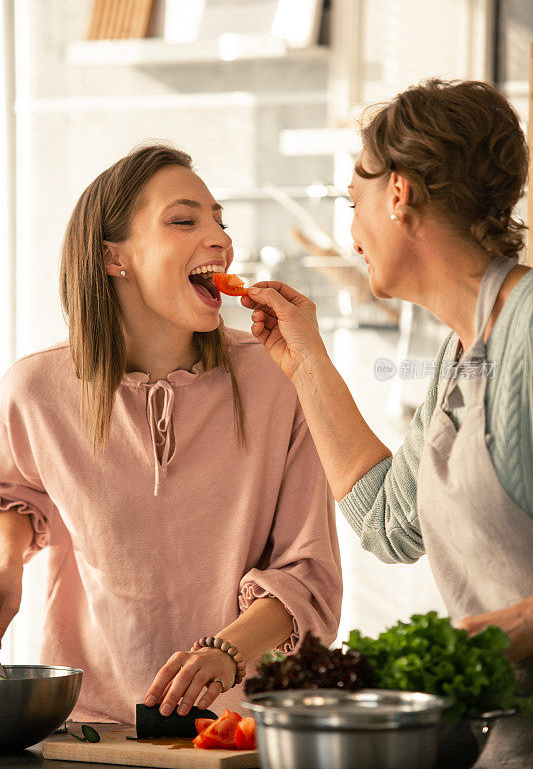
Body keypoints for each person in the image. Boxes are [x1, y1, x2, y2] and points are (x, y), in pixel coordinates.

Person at [242, 79, 533, 767]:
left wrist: (505, 632)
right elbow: (387, 521)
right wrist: (303, 359)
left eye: (354, 201)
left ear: (397, 193)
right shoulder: (462, 348)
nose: (351, 232)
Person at [0, 144, 342, 723]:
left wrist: (227, 654)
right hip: (88, 728)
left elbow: (309, 574)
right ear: (113, 257)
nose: (220, 238)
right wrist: (7, 568)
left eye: (219, 221)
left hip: (242, 730)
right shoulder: (37, 387)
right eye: (185, 220)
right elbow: (17, 494)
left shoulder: (278, 378)